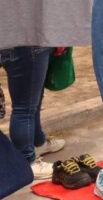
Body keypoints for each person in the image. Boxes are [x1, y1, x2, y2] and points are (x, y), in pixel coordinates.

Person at [0, 47, 66, 180]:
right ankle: (27, 161)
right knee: (24, 108)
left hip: (19, 43)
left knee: (32, 100)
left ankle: (38, 142)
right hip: (28, 44)